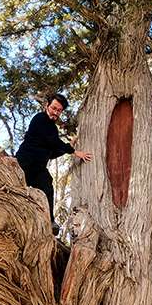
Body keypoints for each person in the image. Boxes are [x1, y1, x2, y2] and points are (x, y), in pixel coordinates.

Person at [15, 93, 92, 229]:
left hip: (38, 169)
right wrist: (74, 151)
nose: (55, 112)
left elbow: (52, 152)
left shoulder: (53, 129)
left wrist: (69, 146)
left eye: (59, 110)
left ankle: (49, 221)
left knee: (47, 186)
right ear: (47, 106)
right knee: (18, 192)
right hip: (24, 163)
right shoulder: (40, 119)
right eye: (54, 108)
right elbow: (54, 142)